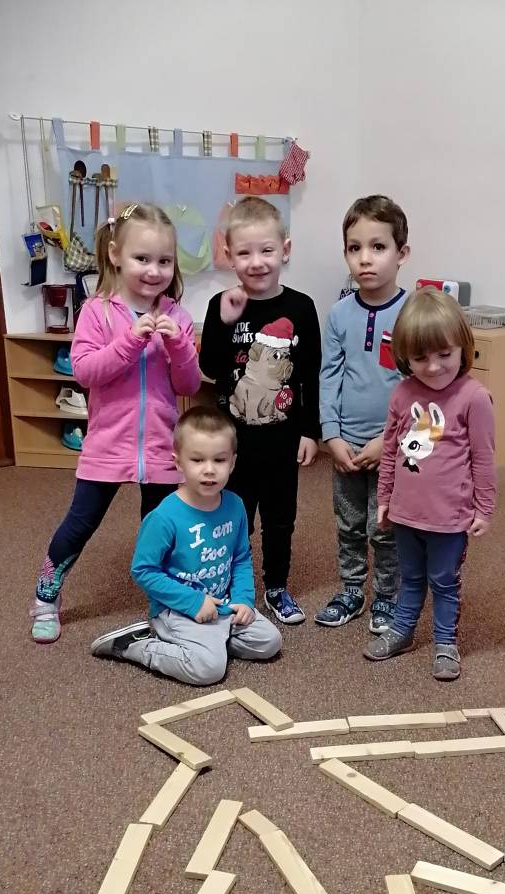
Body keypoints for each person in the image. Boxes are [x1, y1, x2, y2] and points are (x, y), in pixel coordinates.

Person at [30, 202, 201, 644]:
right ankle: (46, 596)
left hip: (161, 446)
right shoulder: (97, 312)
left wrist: (179, 347)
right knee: (80, 522)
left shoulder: (178, 317)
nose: (154, 270)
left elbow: (188, 383)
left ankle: (164, 601)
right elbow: (85, 372)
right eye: (142, 258)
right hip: (107, 445)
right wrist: (130, 341)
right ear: (115, 255)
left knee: (162, 528)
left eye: (164, 261)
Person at [90, 406, 282, 684]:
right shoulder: (164, 517)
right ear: (178, 463)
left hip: (222, 605)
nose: (209, 470)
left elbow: (240, 557)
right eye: (197, 460)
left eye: (219, 460)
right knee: (209, 670)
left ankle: (209, 643)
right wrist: (194, 602)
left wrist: (244, 600)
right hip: (176, 609)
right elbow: (143, 570)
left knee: (270, 642)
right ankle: (135, 646)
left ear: (232, 463)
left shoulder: (236, 505)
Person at [198, 196, 321, 626]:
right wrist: (224, 322)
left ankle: (277, 586)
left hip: (282, 441)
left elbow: (310, 374)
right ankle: (233, 587)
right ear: (228, 254)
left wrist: (310, 431)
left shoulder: (302, 307)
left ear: (285, 250)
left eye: (266, 250)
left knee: (280, 520)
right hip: (233, 445)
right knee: (234, 519)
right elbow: (211, 368)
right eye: (244, 252)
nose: (256, 262)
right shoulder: (221, 304)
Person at [365, 289, 495, 681]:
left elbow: (484, 457)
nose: (434, 367)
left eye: (444, 354)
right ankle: (402, 630)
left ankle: (445, 642)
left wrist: (485, 508)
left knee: (444, 582)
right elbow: (391, 450)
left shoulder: (474, 397)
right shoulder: (403, 393)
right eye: (420, 358)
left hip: (450, 519)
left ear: (462, 348)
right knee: (410, 577)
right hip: (406, 513)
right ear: (405, 356)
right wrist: (384, 498)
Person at [316, 195, 410, 635]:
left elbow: (421, 391)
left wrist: (388, 441)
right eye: (355, 248)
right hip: (346, 447)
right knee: (350, 524)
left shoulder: (412, 314)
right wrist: (330, 435)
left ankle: (387, 596)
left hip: (392, 447)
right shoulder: (339, 314)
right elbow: (329, 376)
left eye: (378, 247)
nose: (365, 259)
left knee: (385, 526)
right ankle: (352, 590)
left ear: (401, 253)